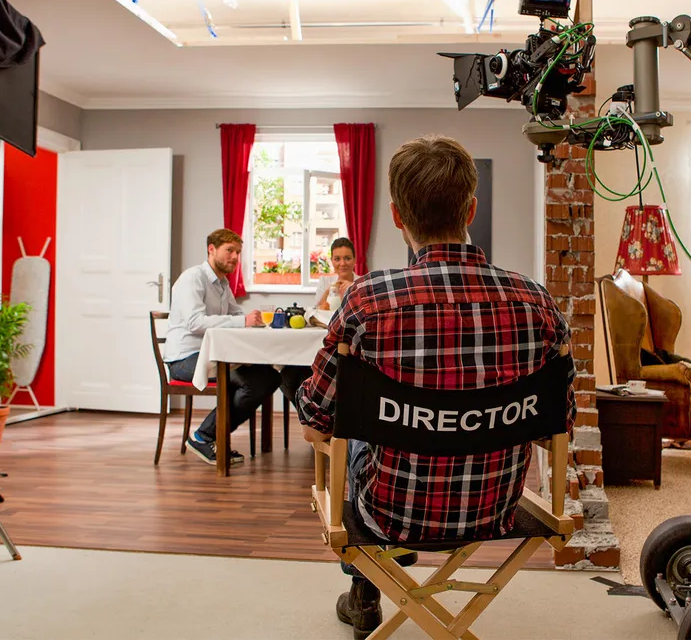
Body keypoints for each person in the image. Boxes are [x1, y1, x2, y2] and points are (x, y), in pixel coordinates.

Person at [296, 135, 575, 638]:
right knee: (361, 422)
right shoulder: (537, 302)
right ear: (471, 208)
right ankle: (369, 583)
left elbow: (315, 416)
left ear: (398, 217)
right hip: (497, 510)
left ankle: (365, 587)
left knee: (349, 429)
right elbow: (560, 421)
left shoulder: (366, 300)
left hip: (388, 513)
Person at [165, 228, 305, 466]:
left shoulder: (222, 284)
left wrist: (254, 320)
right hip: (185, 359)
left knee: (268, 377)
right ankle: (205, 436)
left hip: (212, 355)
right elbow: (194, 322)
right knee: (251, 381)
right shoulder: (193, 278)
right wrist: (242, 321)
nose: (234, 257)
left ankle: (210, 436)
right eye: (229, 251)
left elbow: (236, 313)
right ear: (211, 249)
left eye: (238, 252)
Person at [313, 237, 357, 311]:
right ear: (332, 261)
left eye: (347, 258)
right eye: (337, 259)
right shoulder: (324, 281)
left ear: (354, 260)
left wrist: (354, 289)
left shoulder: (364, 283)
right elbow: (316, 311)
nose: (342, 263)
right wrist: (329, 290)